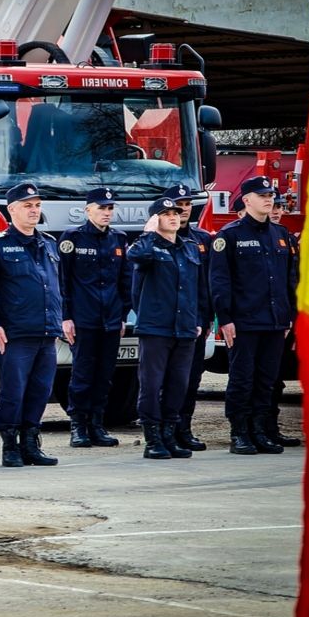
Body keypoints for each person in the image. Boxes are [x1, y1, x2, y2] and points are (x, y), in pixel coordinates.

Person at [210, 176, 299, 455]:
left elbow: (291, 280)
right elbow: (220, 281)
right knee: (242, 378)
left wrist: (289, 316)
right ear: (247, 200)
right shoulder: (230, 235)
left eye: (270, 195)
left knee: (267, 379)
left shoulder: (281, 235)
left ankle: (261, 431)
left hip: (274, 321)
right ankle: (240, 432)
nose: (268, 199)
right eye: (262, 195)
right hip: (244, 322)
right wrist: (225, 319)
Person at [0, 182, 60, 468]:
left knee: (40, 391)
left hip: (47, 331)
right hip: (16, 332)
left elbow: (57, 286)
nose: (34, 210)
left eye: (36, 205)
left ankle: (31, 443)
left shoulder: (48, 242)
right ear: (11, 210)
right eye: (27, 205)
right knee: (14, 390)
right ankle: (10, 445)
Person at [127, 197, 209, 459]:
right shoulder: (147, 247)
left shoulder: (190, 248)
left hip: (184, 328)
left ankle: (170, 435)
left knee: (178, 385)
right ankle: (153, 439)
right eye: (166, 213)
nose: (174, 216)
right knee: (151, 385)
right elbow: (135, 256)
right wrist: (148, 233)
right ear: (155, 219)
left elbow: (199, 289)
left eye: (176, 212)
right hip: (156, 328)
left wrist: (198, 321)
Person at [57, 187, 130, 449]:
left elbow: (125, 281)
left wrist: (122, 315)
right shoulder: (72, 238)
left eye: (110, 208)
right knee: (83, 374)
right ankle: (78, 426)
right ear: (88, 210)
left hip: (110, 319)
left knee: (104, 375)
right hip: (83, 318)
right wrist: (66, 317)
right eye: (101, 208)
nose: (107, 213)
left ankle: (97, 425)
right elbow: (63, 280)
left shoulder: (119, 239)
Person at [168, 184, 213, 451]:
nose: (183, 210)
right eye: (177, 205)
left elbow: (208, 284)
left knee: (192, 377)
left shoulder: (203, 240)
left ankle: (184, 428)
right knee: (168, 379)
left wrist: (207, 320)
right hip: (168, 323)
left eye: (186, 205)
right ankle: (167, 429)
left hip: (196, 322)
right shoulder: (158, 239)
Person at [264, 191, 302, 446]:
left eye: (280, 206)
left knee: (276, 379)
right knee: (266, 377)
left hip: (286, 318)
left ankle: (271, 428)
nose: (277, 211)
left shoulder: (288, 239)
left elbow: (294, 282)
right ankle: (257, 429)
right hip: (263, 318)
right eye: (273, 206)